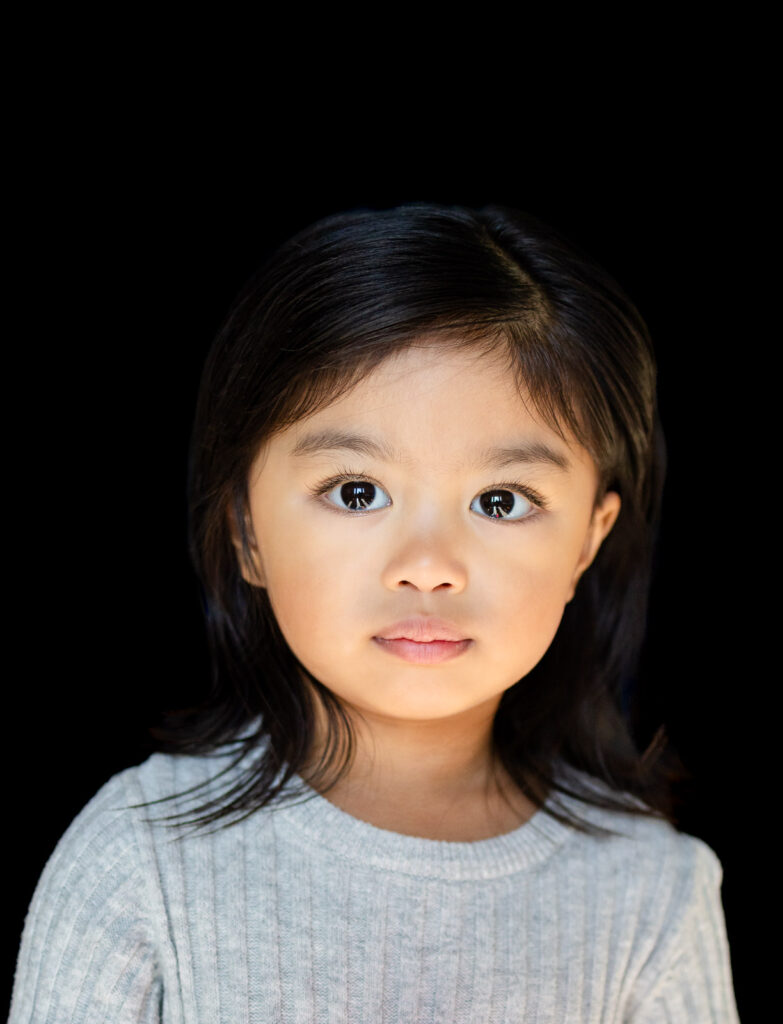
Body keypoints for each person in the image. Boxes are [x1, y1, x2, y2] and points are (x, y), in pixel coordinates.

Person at [10, 203, 740, 1022]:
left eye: (501, 500)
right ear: (246, 531)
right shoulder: (140, 857)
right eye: (357, 492)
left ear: (586, 543)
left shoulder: (650, 897)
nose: (426, 566)